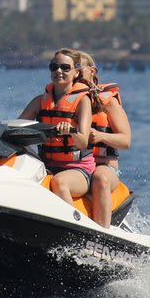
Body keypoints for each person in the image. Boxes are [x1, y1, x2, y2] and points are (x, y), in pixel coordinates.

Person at [19, 48, 95, 206]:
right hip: (46, 164)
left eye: (65, 68)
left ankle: (73, 229)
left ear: (75, 73)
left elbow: (83, 142)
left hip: (78, 169)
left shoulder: (82, 101)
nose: (58, 71)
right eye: (54, 67)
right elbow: (17, 129)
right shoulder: (39, 101)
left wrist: (71, 131)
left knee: (59, 182)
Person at [77, 51, 132, 228]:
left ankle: (102, 234)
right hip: (75, 166)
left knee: (100, 177)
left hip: (104, 167)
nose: (74, 71)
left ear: (92, 71)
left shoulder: (107, 102)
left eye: (79, 67)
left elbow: (126, 140)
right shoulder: (65, 100)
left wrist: (99, 136)